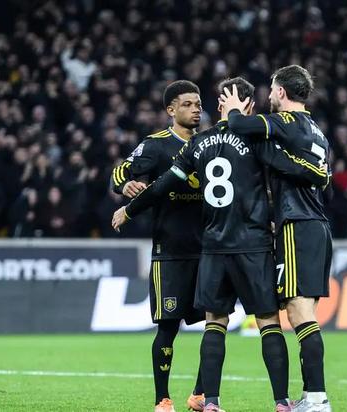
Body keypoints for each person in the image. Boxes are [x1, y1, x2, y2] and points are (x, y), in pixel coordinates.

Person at [112, 77, 328, 412]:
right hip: (253, 244)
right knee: (268, 322)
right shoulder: (256, 140)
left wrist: (129, 210)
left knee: (215, 322)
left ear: (219, 105)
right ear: (249, 106)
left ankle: (210, 401)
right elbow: (283, 176)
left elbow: (164, 184)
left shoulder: (199, 143)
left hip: (212, 246)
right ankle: (282, 402)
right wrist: (318, 174)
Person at [220, 65, 333, 412]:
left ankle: (317, 398)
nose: (268, 96)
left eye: (271, 90)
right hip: (316, 224)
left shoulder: (287, 121)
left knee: (299, 312)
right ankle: (313, 397)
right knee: (304, 310)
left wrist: (233, 109)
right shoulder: (317, 131)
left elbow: (240, 126)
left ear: (282, 92)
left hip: (297, 224)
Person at [110, 80, 205, 412]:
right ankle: (162, 399)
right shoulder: (155, 145)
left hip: (209, 248)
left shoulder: (209, 144)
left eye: (198, 104)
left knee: (216, 322)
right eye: (188, 104)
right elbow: (119, 172)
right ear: (171, 110)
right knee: (168, 326)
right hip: (171, 249)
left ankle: (201, 394)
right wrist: (125, 185)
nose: (196, 109)